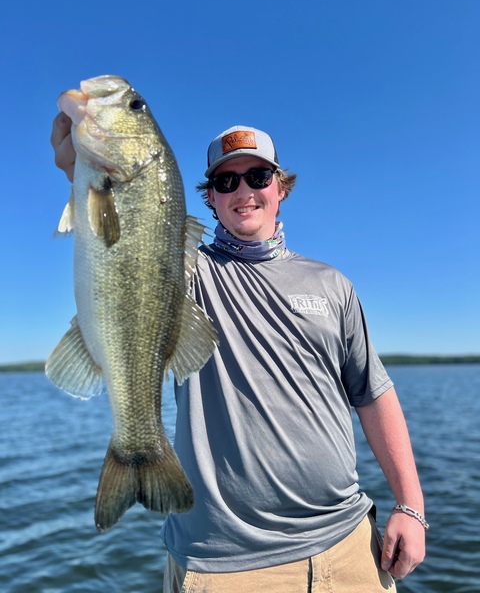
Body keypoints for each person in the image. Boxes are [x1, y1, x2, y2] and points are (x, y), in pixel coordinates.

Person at [51, 115, 427, 593]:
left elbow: (373, 395)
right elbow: (129, 239)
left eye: (258, 176)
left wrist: (411, 506)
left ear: (280, 187)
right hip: (225, 565)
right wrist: (82, 168)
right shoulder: (188, 272)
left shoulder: (333, 285)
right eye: (226, 181)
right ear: (210, 197)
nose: (243, 190)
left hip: (349, 543)